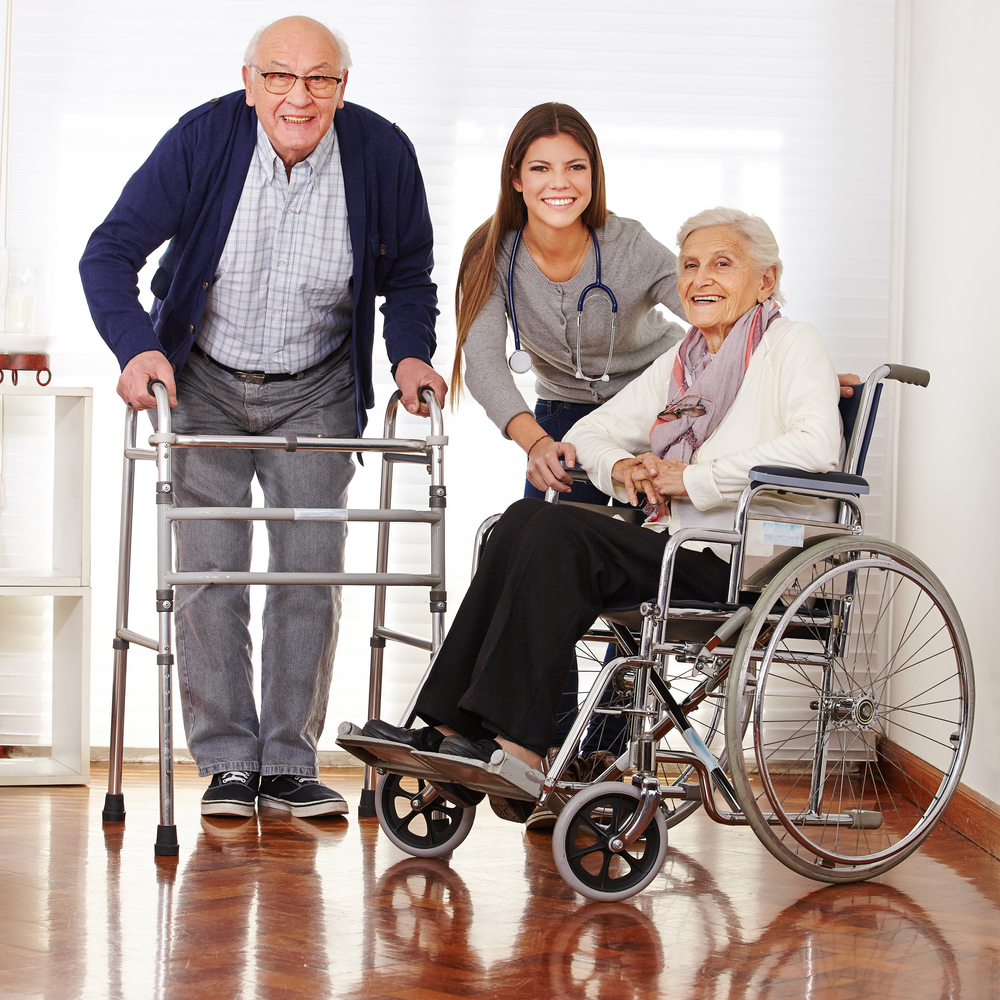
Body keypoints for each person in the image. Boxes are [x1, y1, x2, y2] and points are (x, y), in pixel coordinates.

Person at [80, 16, 446, 819]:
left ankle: (286, 763)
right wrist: (137, 350)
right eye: (280, 76)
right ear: (250, 83)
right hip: (202, 377)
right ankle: (226, 765)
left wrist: (410, 355)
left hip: (316, 383)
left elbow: (411, 273)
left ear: (343, 89)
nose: (299, 96)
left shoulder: (381, 153)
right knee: (209, 570)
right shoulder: (204, 139)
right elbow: (108, 251)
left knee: (309, 569)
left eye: (320, 79)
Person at [364, 207, 842, 820]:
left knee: (560, 537)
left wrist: (689, 477)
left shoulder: (791, 344)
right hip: (674, 547)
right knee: (520, 520)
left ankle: (520, 746)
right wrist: (622, 468)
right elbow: (591, 432)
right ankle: (451, 729)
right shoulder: (683, 363)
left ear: (765, 281)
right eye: (690, 266)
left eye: (723, 264)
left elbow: (815, 446)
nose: (700, 279)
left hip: (744, 562)